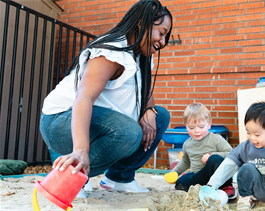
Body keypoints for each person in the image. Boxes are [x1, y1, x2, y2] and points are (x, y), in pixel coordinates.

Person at [39, 0, 173, 198]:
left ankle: (119, 178)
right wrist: (81, 150)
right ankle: (69, 177)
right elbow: (84, 97)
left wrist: (149, 111)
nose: (163, 42)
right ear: (142, 23)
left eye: (165, 36)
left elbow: (145, 91)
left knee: (160, 116)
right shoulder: (112, 51)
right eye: (161, 33)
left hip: (95, 120)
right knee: (129, 132)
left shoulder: (140, 56)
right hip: (60, 120)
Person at [206, 101, 265, 210]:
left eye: (257, 134)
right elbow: (228, 165)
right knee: (246, 168)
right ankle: (246, 198)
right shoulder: (245, 147)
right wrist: (211, 185)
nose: (252, 138)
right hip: (256, 190)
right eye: (248, 132)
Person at [169, 103, 236, 199]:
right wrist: (174, 173)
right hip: (200, 176)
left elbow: (231, 153)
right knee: (181, 182)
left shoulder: (216, 139)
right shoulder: (187, 144)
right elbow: (185, 162)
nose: (197, 131)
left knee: (214, 159)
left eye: (201, 127)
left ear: (209, 124)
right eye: (192, 128)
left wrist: (211, 155)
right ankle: (202, 189)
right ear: (186, 126)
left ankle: (226, 187)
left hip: (217, 175)